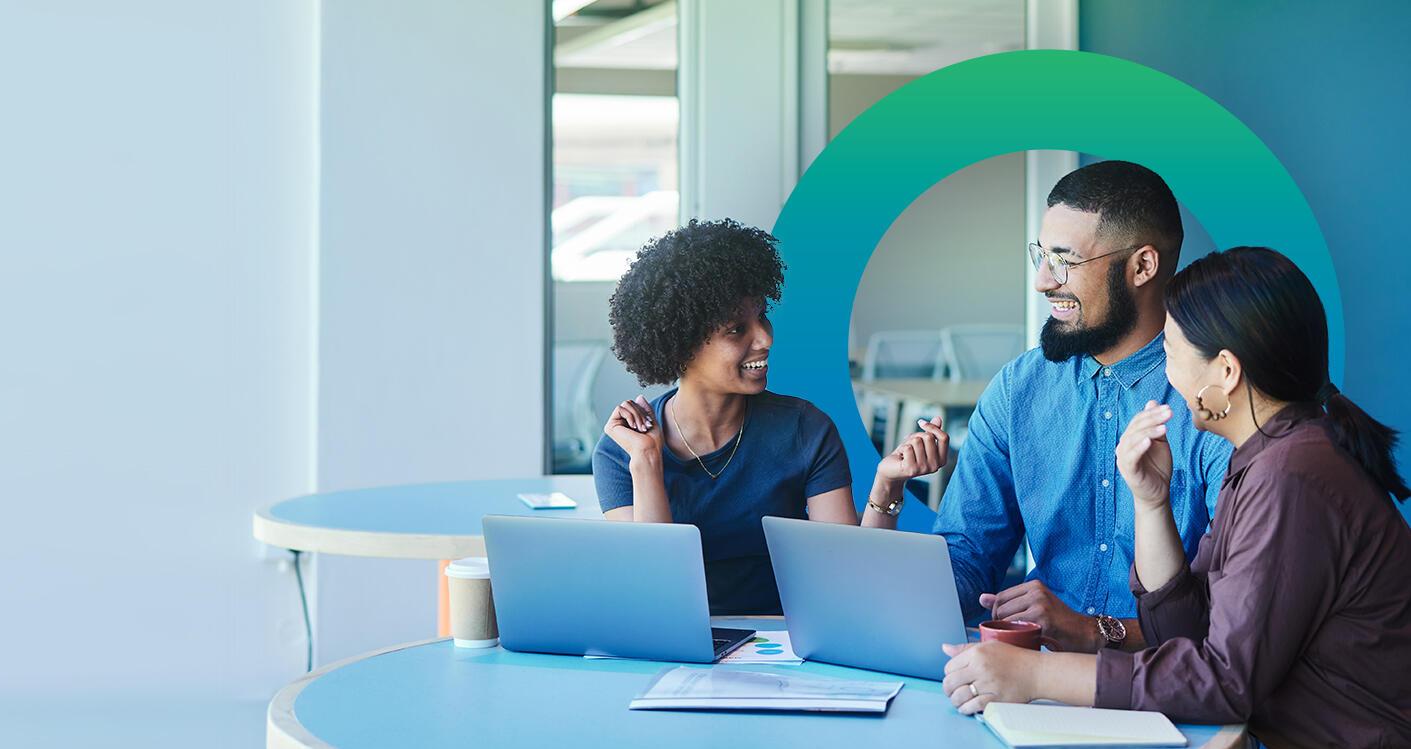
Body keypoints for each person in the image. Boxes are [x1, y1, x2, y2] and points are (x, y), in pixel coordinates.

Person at [941, 247, 1411, 748]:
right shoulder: (1268, 459)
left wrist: (1034, 676)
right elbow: (1184, 631)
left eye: (1169, 351)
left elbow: (1224, 682)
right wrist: (1150, 502)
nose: (1165, 374)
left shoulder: (1291, 475)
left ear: (1225, 372)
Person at [933, 160, 1233, 652]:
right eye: (1041, 256)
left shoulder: (1213, 399)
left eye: (1065, 261)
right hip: (1031, 678)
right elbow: (968, 554)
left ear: (1142, 266)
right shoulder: (1018, 388)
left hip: (1172, 691)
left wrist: (1090, 631)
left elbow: (1233, 613)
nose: (1043, 281)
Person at [592, 218, 948, 615]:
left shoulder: (804, 428)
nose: (765, 338)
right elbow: (652, 589)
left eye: (762, 317)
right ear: (682, 343)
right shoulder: (622, 450)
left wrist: (886, 485)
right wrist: (646, 462)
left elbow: (850, 575)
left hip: (787, 646)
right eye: (736, 329)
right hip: (676, 643)